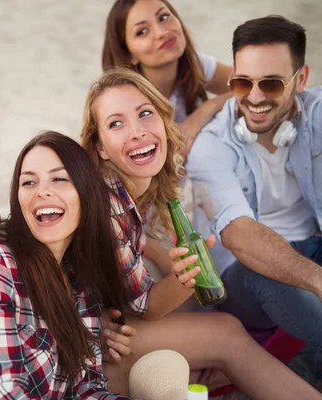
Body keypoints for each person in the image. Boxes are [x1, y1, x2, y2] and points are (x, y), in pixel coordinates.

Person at [79, 66, 321, 399]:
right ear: (101, 147)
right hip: (92, 337)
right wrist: (184, 277)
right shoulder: (106, 201)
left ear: (165, 121)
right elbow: (143, 306)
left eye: (145, 113)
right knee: (225, 333)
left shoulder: (136, 196)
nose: (136, 131)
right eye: (116, 123)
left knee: (224, 327)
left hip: (114, 325)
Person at [0, 131, 137, 398]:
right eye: (28, 182)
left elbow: (86, 387)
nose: (42, 191)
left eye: (59, 179)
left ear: (85, 192)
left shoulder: (80, 275)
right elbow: (0, 394)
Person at [186, 16, 322, 350]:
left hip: (313, 247)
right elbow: (239, 234)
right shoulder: (211, 145)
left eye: (272, 84)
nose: (255, 98)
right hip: (244, 279)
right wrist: (318, 280)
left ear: (301, 78)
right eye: (243, 83)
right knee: (259, 270)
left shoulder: (316, 113)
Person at [102, 0, 232, 153]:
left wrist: (207, 109)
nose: (161, 33)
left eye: (163, 17)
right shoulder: (124, 103)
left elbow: (258, 83)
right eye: (142, 31)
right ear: (128, 53)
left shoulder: (194, 65)